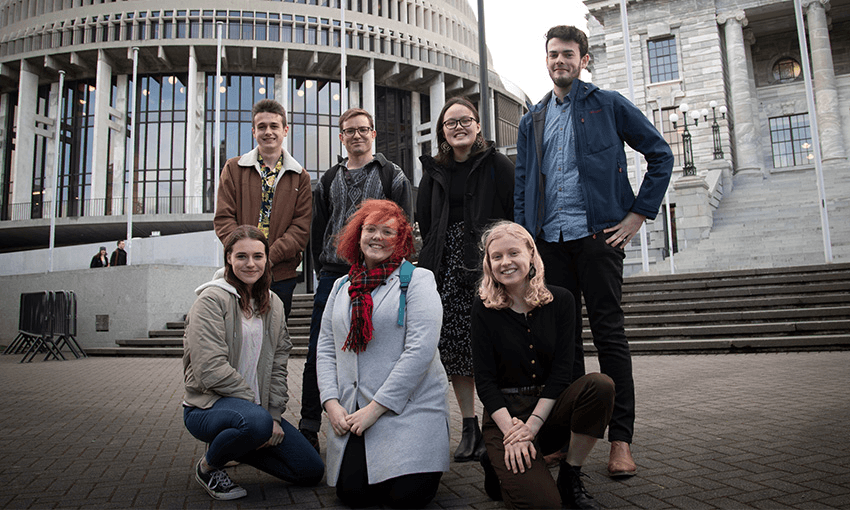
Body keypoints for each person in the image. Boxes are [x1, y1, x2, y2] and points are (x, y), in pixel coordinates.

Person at [514, 25, 673, 477]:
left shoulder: (609, 104)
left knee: (609, 337)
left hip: (600, 238)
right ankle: (565, 437)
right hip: (549, 244)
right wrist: (527, 242)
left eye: (568, 54)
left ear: (583, 59)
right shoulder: (533, 119)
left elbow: (660, 154)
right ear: (545, 60)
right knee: (561, 344)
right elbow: (525, 183)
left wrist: (637, 214)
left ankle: (620, 441)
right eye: (552, 54)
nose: (559, 61)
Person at [472, 221, 615, 509]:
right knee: (545, 505)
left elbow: (564, 370)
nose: (505, 262)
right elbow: (484, 381)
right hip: (506, 416)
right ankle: (495, 460)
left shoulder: (561, 300)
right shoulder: (483, 307)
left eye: (513, 253)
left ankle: (570, 474)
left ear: (531, 254)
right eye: (496, 256)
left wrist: (533, 426)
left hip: (549, 410)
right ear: (488, 263)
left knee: (600, 385)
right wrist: (513, 433)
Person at [316, 199, 449, 508]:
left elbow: (420, 351)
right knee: (352, 495)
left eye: (387, 231)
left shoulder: (418, 281)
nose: (377, 237)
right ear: (357, 236)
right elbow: (326, 348)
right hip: (354, 413)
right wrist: (331, 403)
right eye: (370, 229)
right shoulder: (340, 287)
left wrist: (376, 408)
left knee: (406, 498)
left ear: (400, 240)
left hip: (408, 411)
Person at [182, 225, 324, 501]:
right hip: (206, 407)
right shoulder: (211, 301)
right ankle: (208, 467)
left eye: (258, 256)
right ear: (228, 259)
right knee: (256, 423)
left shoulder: (273, 304)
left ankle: (240, 444)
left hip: (256, 413)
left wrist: (273, 414)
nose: (250, 264)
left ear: (266, 259)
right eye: (242, 256)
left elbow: (279, 365)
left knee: (310, 470)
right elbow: (210, 369)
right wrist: (258, 411)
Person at [300, 107, 413, 452]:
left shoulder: (392, 175)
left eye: (363, 130)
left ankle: (380, 421)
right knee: (319, 351)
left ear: (373, 134)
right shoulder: (328, 179)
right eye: (349, 131)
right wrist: (325, 269)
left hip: (380, 273)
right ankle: (308, 426)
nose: (357, 136)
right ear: (341, 137)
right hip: (335, 274)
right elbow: (318, 228)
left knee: (379, 350)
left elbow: (404, 226)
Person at [417, 97, 514, 462]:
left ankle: (497, 425)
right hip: (446, 266)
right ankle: (469, 426)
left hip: (489, 264)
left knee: (491, 345)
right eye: (450, 123)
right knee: (456, 349)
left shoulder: (497, 165)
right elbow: (425, 219)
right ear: (442, 131)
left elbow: (514, 213)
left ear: (477, 126)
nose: (458, 127)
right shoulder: (434, 171)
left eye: (465, 121)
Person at [214, 99, 311, 320]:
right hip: (240, 272)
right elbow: (223, 218)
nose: (268, 132)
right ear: (253, 131)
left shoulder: (300, 176)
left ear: (285, 130)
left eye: (274, 126)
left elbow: (300, 228)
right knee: (237, 337)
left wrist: (267, 258)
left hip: (281, 274)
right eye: (262, 127)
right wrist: (248, 255)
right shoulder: (233, 168)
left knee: (274, 340)